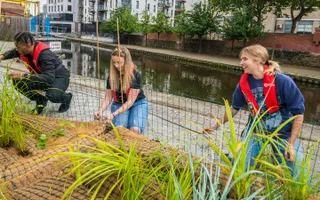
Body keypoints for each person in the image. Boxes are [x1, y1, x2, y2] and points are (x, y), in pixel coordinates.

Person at [204, 44, 304, 177]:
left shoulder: (282, 81)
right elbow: (233, 109)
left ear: (258, 60)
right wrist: (214, 126)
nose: (241, 63)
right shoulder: (243, 84)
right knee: (241, 165)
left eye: (245, 59)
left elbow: (298, 113)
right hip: (256, 132)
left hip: (283, 134)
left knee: (296, 171)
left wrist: (291, 143)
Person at [0, 32, 72, 114]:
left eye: (18, 47)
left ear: (28, 45)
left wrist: (22, 75)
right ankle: (40, 100)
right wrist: (2, 56)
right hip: (43, 75)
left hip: (58, 77)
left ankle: (67, 98)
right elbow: (14, 52)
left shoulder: (45, 55)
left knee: (53, 95)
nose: (16, 49)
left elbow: (49, 78)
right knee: (18, 82)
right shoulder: (25, 50)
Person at [94, 47, 149, 134]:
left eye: (119, 62)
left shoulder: (135, 76)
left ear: (126, 61)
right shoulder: (111, 77)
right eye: (114, 62)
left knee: (134, 130)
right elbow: (108, 98)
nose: (116, 65)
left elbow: (130, 102)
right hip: (119, 103)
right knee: (120, 129)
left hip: (137, 103)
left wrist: (113, 114)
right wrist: (101, 110)